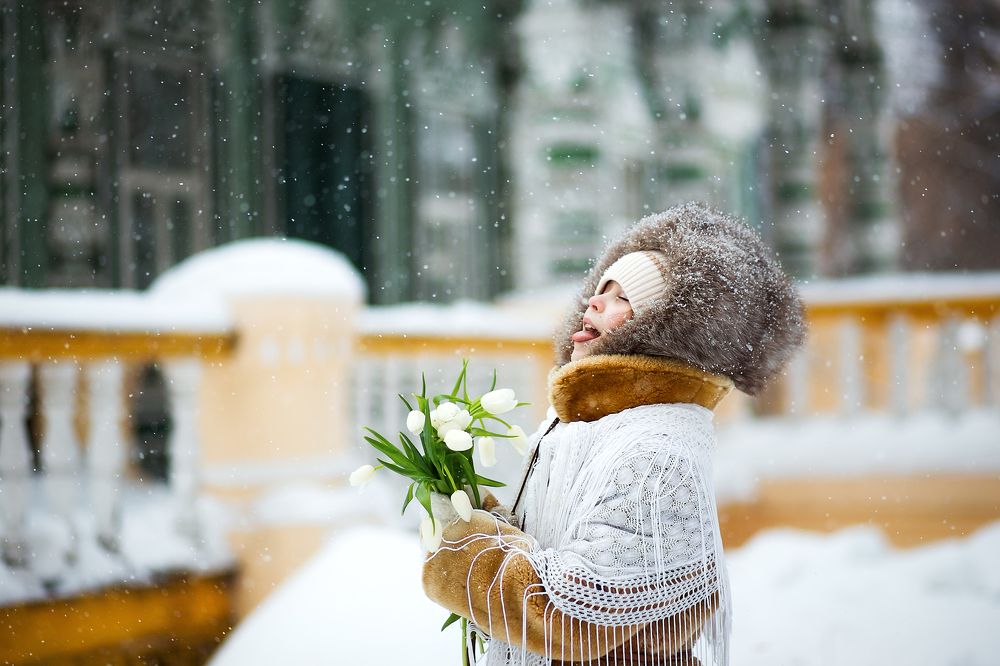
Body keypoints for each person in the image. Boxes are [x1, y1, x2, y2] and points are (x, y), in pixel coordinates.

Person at [422, 202, 805, 665]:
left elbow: (578, 613)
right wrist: (482, 519)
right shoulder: (588, 425)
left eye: (624, 298)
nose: (594, 302)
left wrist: (468, 561)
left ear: (663, 332)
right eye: (602, 289)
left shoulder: (656, 451)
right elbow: (572, 551)